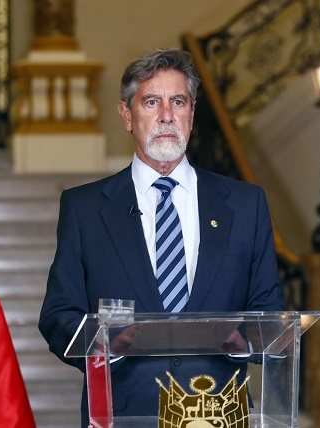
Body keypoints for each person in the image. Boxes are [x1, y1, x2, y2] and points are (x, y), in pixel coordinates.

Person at [38, 48, 286, 426]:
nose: (167, 115)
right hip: (124, 416)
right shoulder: (84, 209)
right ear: (127, 115)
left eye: (178, 102)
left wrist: (243, 341)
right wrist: (108, 344)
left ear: (192, 113)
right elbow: (58, 317)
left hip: (219, 411)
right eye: (152, 102)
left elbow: (270, 310)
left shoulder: (245, 204)